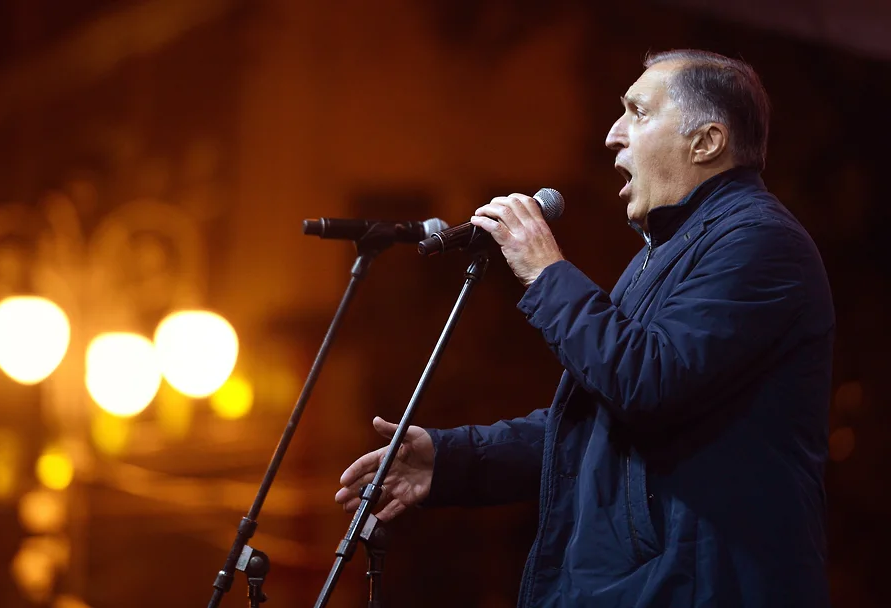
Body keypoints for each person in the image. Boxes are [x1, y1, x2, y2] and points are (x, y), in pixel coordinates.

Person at [335, 49, 834, 607]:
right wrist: (454, 460)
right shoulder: (667, 253)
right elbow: (593, 422)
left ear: (706, 142)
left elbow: (647, 381)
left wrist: (545, 272)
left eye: (638, 113)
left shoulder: (761, 244)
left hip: (701, 589)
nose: (612, 135)